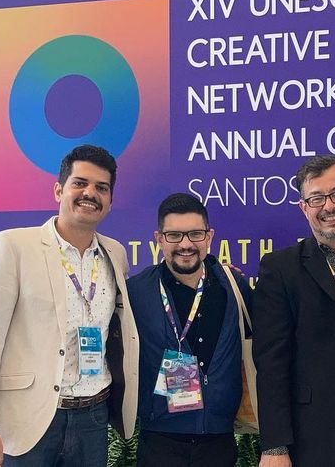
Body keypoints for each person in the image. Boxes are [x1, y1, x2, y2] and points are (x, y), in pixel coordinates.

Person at [0, 144, 139, 467]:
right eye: (80, 183)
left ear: (110, 202)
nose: (90, 193)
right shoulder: (13, 246)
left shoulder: (115, 253)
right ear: (59, 190)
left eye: (101, 188)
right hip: (29, 419)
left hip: (93, 418)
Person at [254, 155, 335, 467]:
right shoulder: (280, 269)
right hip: (313, 436)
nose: (329, 206)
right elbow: (271, 364)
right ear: (304, 207)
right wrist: (275, 446)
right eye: (317, 198)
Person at [127, 193, 253, 467]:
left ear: (209, 237)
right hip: (160, 441)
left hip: (219, 440)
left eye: (195, 234)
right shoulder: (135, 292)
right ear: (159, 239)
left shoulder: (234, 287)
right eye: (174, 235)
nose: (185, 244)